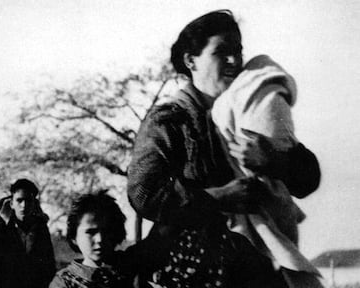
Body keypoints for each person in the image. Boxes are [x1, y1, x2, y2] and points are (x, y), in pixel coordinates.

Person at [127, 10, 321, 288]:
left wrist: (273, 161)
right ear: (190, 60)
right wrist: (217, 198)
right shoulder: (170, 119)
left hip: (255, 270)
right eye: (222, 52)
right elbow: (144, 195)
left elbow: (308, 180)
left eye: (238, 51)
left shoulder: (251, 109)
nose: (234, 61)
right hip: (190, 270)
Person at [0, 179, 56, 288]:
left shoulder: (41, 229)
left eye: (28, 201)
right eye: (19, 200)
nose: (24, 205)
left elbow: (49, 265)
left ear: (34, 203)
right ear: (12, 203)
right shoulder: (1, 230)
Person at [49, 193, 134, 288]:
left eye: (106, 231)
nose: (100, 239)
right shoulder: (64, 282)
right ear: (74, 237)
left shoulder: (131, 266)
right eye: (90, 232)